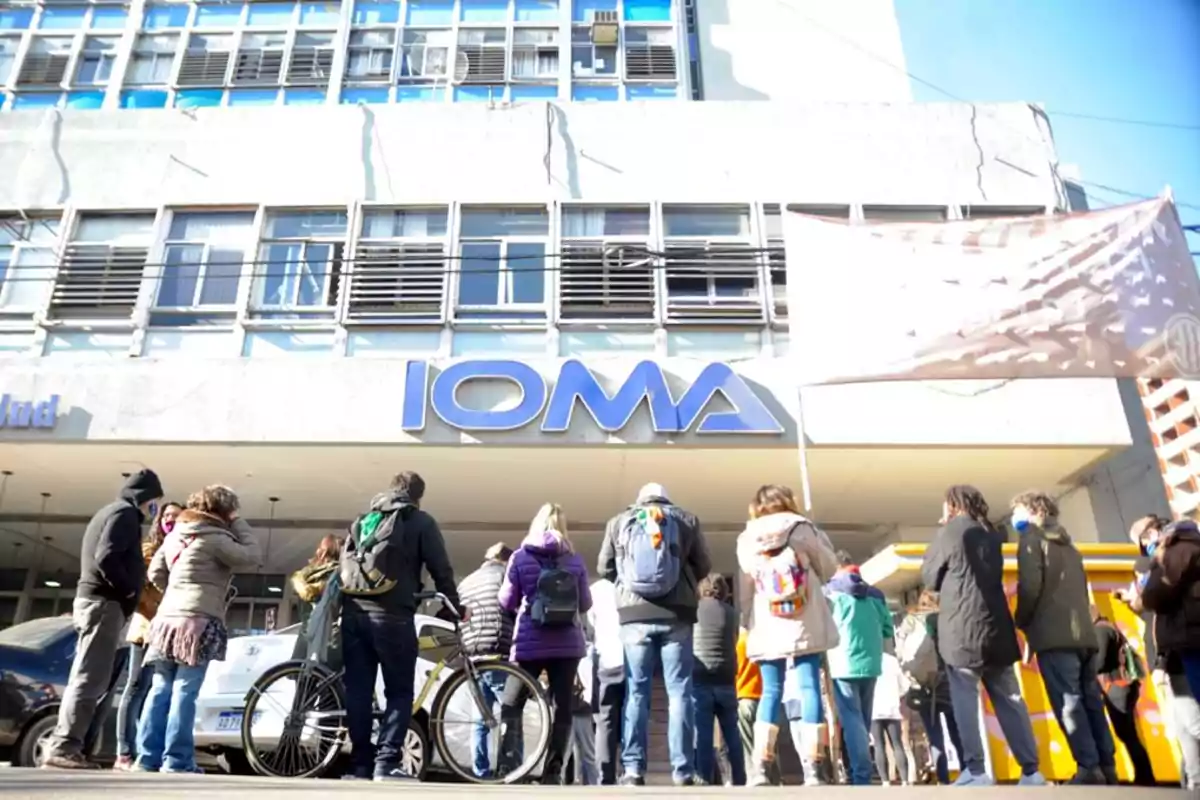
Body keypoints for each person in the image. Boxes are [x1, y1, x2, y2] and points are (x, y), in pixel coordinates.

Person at [919, 484, 1045, 786]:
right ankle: (1031, 770)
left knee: (964, 697)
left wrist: (943, 530)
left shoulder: (950, 532)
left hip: (962, 630)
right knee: (1010, 698)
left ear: (951, 505)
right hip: (997, 628)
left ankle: (975, 770)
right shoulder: (991, 532)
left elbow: (930, 578)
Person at [339, 471, 461, 782]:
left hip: (353, 613)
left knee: (358, 691)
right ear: (418, 496)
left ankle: (359, 765)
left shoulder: (365, 519)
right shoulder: (420, 521)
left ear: (391, 490)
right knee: (399, 691)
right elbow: (440, 568)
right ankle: (387, 762)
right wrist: (454, 607)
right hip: (393, 616)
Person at [42, 469, 165, 770]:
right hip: (104, 604)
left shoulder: (114, 513)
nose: (156, 510)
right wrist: (127, 592)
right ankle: (64, 747)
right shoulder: (124, 515)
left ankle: (71, 746)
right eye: (155, 502)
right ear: (145, 497)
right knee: (89, 679)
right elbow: (106, 556)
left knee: (88, 678)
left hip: (99, 603)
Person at [136, 485, 259, 773]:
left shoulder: (175, 535)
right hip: (197, 621)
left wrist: (174, 592)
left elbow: (155, 572)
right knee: (185, 689)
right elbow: (252, 556)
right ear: (223, 511)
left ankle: (146, 759)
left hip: (165, 620)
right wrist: (237, 521)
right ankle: (177, 761)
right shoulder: (217, 538)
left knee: (159, 688)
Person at [598, 483, 711, 787]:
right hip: (677, 615)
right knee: (679, 691)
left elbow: (604, 567)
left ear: (640, 499)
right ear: (666, 497)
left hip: (634, 617)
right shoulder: (686, 520)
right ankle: (683, 770)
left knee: (637, 691)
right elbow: (705, 565)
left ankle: (633, 770)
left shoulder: (618, 522)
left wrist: (630, 585)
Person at [736, 483, 839, 787]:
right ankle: (814, 767)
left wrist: (746, 620)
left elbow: (744, 587)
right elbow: (828, 567)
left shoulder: (747, 538)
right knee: (809, 687)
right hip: (804, 615)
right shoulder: (802, 529)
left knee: (770, 690)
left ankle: (762, 768)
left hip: (767, 620)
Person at [1010, 490, 1115, 784]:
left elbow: (1029, 587)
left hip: (1054, 636)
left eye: (1018, 511)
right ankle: (1107, 766)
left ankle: (1087, 768)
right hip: (1084, 635)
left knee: (1068, 702)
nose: (1015, 518)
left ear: (1031, 511)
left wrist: (1022, 620)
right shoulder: (1071, 547)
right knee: (1091, 701)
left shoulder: (1031, 540)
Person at [498, 503, 592, 785]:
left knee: (511, 704)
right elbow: (586, 603)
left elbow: (506, 601)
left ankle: (509, 768)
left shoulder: (520, 557)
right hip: (567, 644)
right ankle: (553, 772)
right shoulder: (575, 561)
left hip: (530, 642)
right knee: (562, 707)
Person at [113, 501, 181, 771]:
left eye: (176, 516)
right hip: (146, 627)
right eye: (166, 515)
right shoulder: (149, 549)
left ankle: (146, 751)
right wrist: (159, 611)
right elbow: (140, 589)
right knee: (135, 688)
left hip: (168, 630)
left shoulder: (182, 549)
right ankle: (124, 751)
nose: (170, 519)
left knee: (156, 691)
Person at [824, 551, 894, 785]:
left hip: (842, 663)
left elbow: (825, 628)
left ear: (837, 567)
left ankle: (861, 774)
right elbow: (887, 629)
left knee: (852, 720)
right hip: (871, 663)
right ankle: (859, 771)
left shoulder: (831, 592)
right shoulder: (875, 594)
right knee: (862, 719)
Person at [457, 542, 515, 778]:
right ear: (506, 560)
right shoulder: (505, 576)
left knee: (480, 718)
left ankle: (481, 772)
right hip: (497, 650)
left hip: (472, 653)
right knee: (511, 713)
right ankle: (510, 768)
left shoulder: (467, 581)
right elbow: (514, 606)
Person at [897, 590, 962, 785]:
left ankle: (943, 779)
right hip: (949, 680)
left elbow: (901, 652)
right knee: (956, 730)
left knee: (934, 735)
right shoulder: (946, 618)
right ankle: (970, 771)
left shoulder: (910, 621)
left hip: (923, 683)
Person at [1138, 517, 1200, 704]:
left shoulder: (1172, 551)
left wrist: (1156, 562)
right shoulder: (1195, 543)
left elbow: (1154, 594)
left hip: (1191, 635)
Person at [1091, 607, 1155, 786]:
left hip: (1118, 688)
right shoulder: (1109, 628)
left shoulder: (1101, 630)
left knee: (1127, 734)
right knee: (1128, 734)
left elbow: (1099, 663)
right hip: (1124, 687)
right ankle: (1144, 775)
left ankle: (1145, 777)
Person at [692, 574, 746, 786]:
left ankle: (704, 777)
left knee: (703, 733)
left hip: (700, 675)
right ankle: (740, 777)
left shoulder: (693, 610)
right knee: (732, 731)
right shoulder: (732, 613)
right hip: (726, 677)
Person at [586, 574, 624, 784]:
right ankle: (631, 770)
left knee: (604, 719)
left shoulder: (596, 589)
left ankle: (605, 775)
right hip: (631, 655)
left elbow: (591, 621)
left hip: (605, 658)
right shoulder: (632, 581)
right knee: (632, 714)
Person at [734, 628, 781, 785]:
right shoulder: (765, 640)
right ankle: (775, 778)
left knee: (748, 745)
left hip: (744, 698)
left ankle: (754, 776)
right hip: (766, 699)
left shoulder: (738, 643)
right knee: (770, 743)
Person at [289, 534, 342, 662]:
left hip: (305, 639)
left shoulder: (305, 577)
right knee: (330, 678)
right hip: (330, 640)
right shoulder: (337, 576)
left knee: (304, 678)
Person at [871, 651, 910, 785]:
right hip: (892, 708)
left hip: (874, 709)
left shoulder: (867, 660)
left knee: (878, 745)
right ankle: (905, 780)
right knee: (897, 744)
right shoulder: (891, 660)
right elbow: (904, 686)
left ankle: (885, 781)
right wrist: (896, 695)